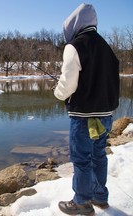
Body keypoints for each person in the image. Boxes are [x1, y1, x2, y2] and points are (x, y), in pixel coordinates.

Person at [53, 3, 120, 216]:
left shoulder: (74, 46)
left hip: (83, 117)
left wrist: (57, 93)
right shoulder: (106, 47)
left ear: (73, 24)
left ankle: (81, 203)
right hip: (106, 115)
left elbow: (68, 85)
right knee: (99, 155)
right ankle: (100, 197)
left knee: (82, 159)